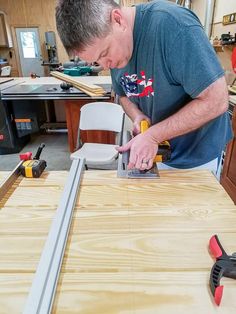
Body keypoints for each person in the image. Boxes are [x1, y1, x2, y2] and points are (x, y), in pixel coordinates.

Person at [56, 0, 233, 174]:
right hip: (156, 152)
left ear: (118, 19)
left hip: (196, 158)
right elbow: (122, 94)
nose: (105, 65)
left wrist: (153, 135)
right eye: (96, 61)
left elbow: (217, 101)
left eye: (104, 53)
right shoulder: (114, 52)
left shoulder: (173, 26)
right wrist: (137, 115)